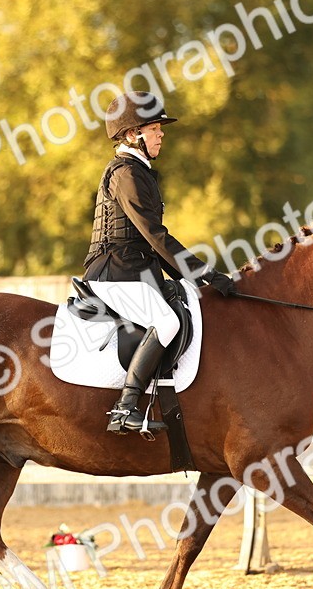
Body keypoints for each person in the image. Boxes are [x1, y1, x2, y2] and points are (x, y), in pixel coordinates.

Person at [82, 91, 235, 435]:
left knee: (185, 303)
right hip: (114, 272)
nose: (161, 134)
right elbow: (155, 237)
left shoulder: (140, 172)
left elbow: (151, 245)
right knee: (166, 322)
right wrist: (204, 274)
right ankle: (125, 407)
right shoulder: (126, 174)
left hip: (133, 271)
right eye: (155, 128)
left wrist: (191, 280)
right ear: (135, 134)